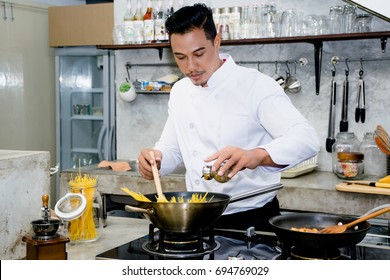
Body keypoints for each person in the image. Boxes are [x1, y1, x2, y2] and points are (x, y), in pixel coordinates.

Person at [138, 3, 320, 231]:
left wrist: (257, 155)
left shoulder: (256, 85)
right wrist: (155, 160)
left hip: (250, 221)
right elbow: (172, 149)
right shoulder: (180, 91)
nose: (191, 66)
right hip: (196, 220)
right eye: (180, 57)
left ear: (216, 41)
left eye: (199, 53)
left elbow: (306, 139)